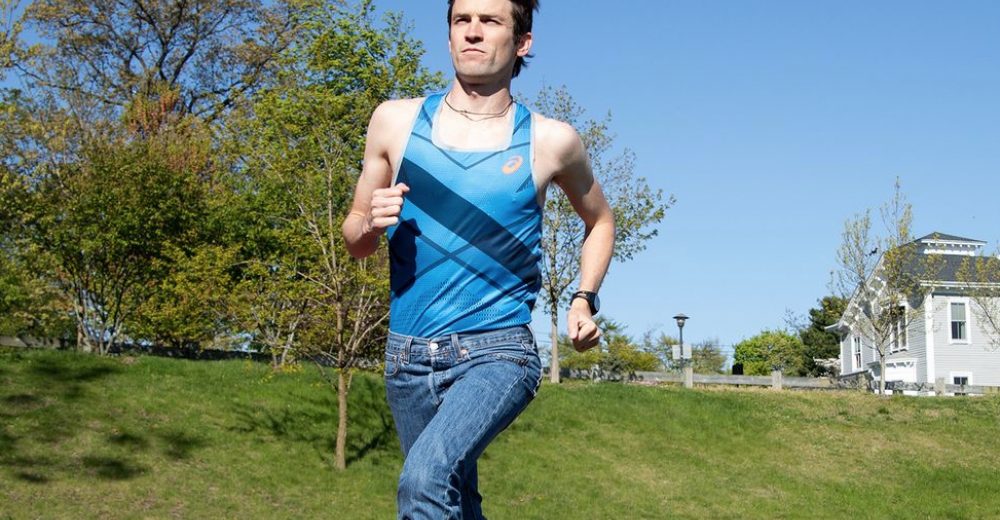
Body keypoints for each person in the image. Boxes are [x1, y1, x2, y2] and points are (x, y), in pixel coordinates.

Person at [343, 0, 615, 517]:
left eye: (490, 21)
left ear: (522, 42)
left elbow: (600, 221)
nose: (472, 32)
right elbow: (356, 237)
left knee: (423, 482)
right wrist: (370, 224)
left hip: (498, 351)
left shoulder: (550, 141)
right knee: (453, 499)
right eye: (461, 21)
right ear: (449, 34)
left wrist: (584, 299)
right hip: (406, 357)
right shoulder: (394, 121)